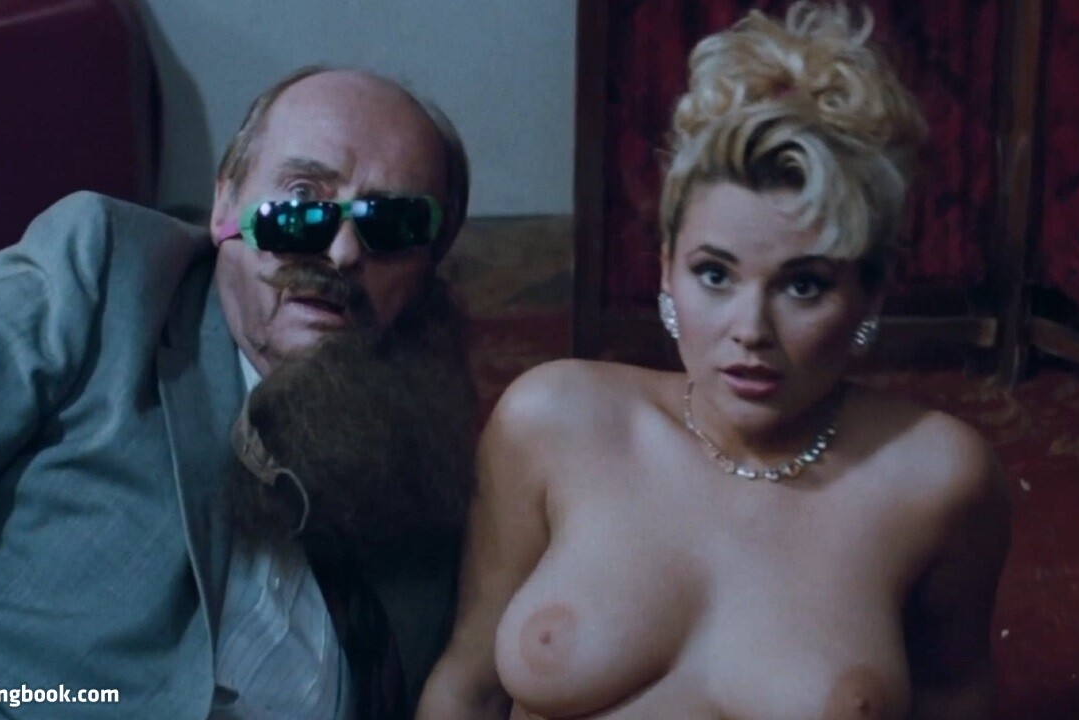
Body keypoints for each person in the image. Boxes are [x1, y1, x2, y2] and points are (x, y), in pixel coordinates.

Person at [417, 3, 1011, 720]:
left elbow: (955, 698)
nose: (750, 330)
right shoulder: (552, 421)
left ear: (870, 293)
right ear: (666, 268)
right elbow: (469, 686)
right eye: (715, 274)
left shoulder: (938, 479)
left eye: (804, 285)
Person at [0, 66, 477, 719]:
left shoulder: (425, 415)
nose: (343, 251)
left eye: (392, 222)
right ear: (226, 202)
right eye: (300, 199)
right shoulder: (104, 276)